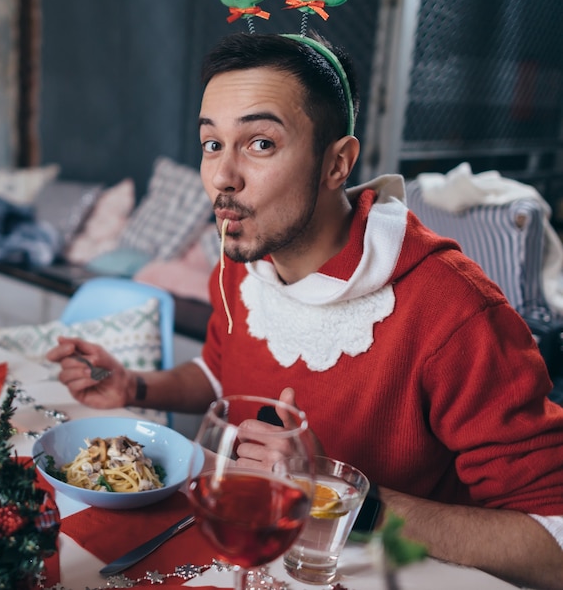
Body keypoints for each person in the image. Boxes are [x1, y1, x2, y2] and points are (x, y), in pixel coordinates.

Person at [47, 32, 563, 589]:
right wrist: (135, 387)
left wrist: (336, 494)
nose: (222, 177)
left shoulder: (456, 311)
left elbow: (551, 542)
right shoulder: (245, 254)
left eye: (260, 143)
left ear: (337, 162)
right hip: (247, 560)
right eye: (212, 144)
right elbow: (222, 373)